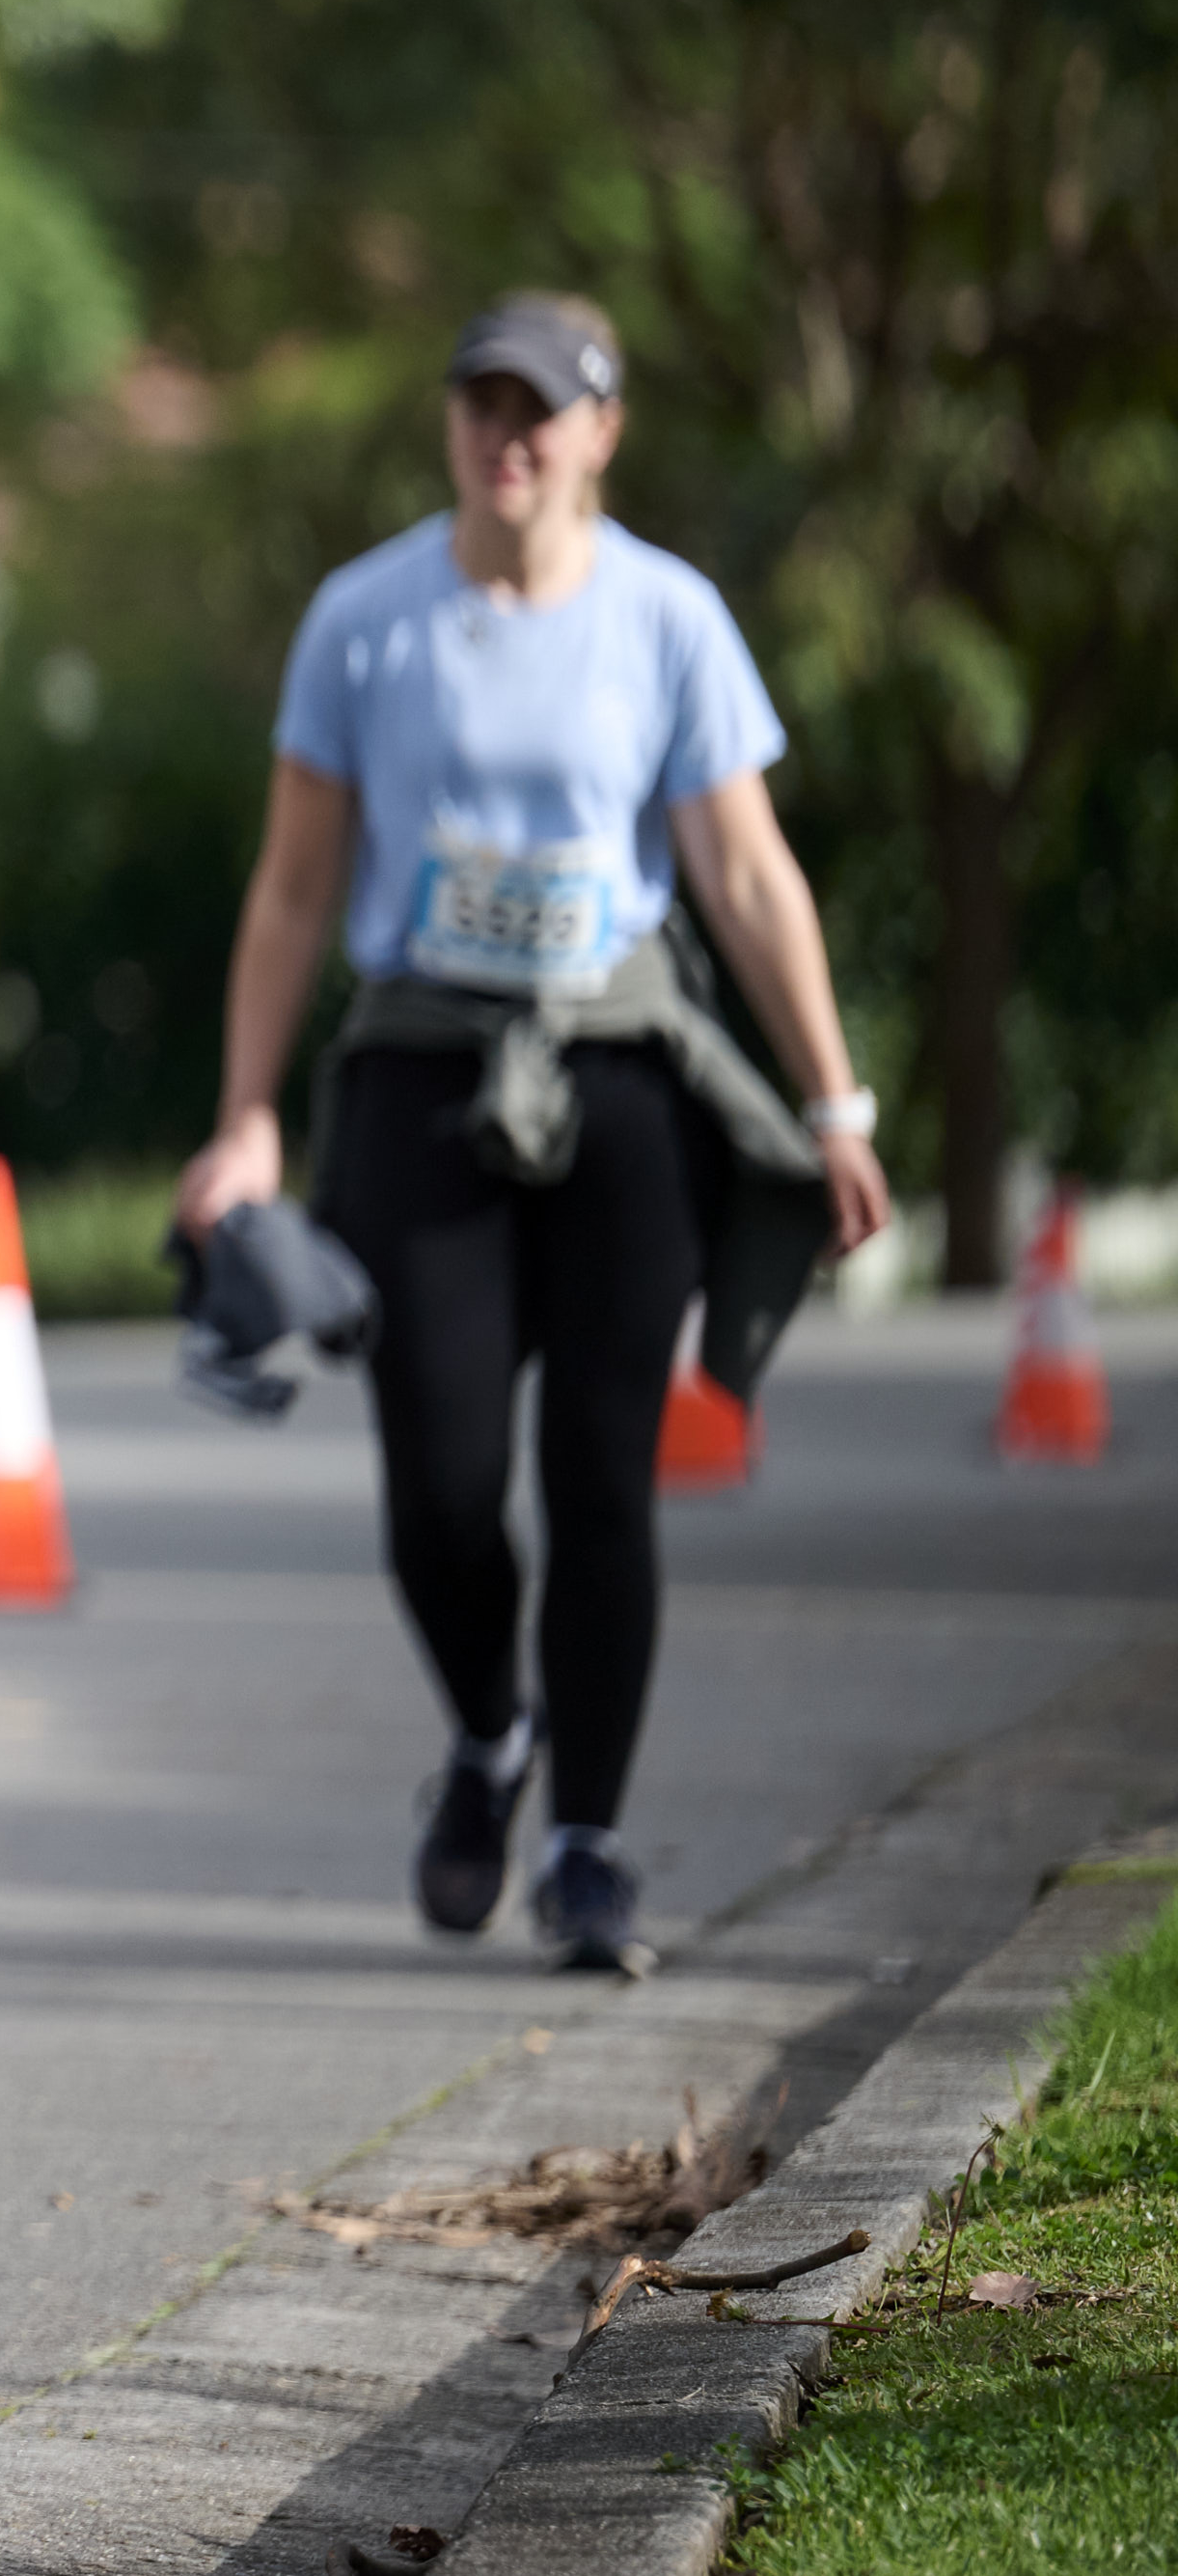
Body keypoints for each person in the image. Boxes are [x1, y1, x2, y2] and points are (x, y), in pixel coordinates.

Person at [173, 293, 886, 1978]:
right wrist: (246, 1120)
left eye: (541, 409)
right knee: (433, 1489)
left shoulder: (669, 619)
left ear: (600, 430)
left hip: (622, 1084)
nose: (509, 436)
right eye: (481, 404)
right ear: (452, 424)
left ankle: (586, 1849)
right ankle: (493, 1734)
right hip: (420, 1078)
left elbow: (745, 874)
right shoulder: (365, 621)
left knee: (601, 1479)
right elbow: (289, 889)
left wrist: (832, 1098)